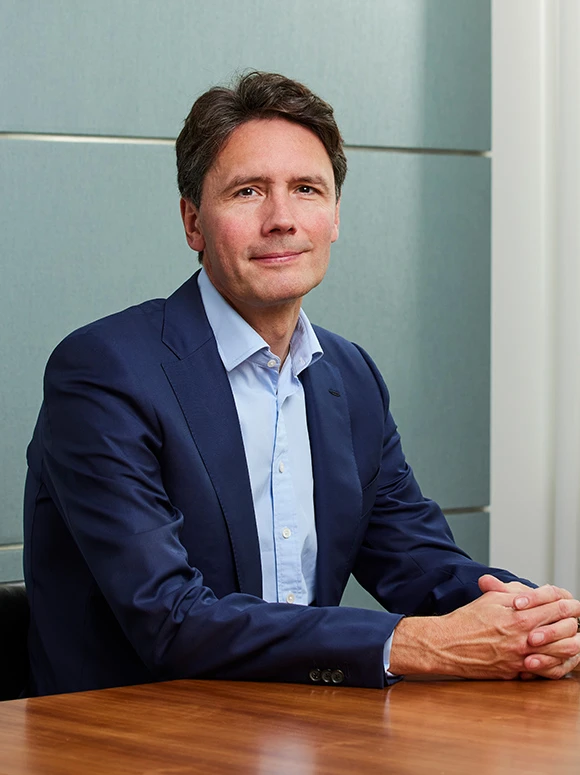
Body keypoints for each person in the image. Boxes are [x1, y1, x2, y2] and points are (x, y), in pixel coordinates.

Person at [24, 71, 580, 696]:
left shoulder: (350, 375)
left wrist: (542, 624)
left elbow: (421, 566)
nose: (282, 219)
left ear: (334, 217)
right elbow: (169, 620)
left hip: (304, 724)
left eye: (307, 189)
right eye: (247, 192)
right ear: (193, 222)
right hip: (131, 732)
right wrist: (413, 643)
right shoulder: (104, 372)